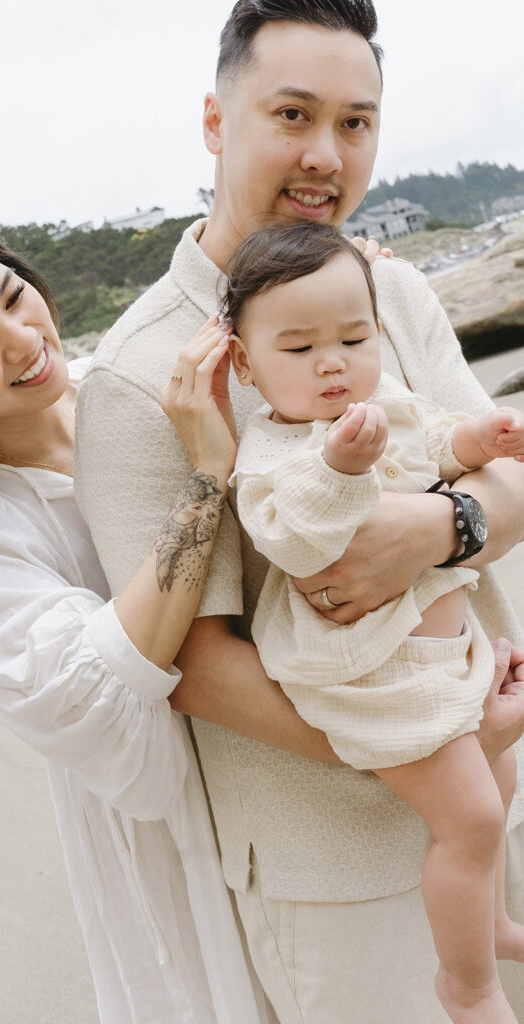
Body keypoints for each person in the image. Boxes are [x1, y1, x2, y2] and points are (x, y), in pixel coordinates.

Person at [75, 1, 524, 1020]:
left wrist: (437, 526)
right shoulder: (143, 373)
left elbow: (506, 477)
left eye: (355, 122)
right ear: (214, 119)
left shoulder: (384, 288)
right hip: (335, 862)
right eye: (292, 113)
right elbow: (188, 662)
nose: (326, 153)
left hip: (489, 776)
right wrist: (431, 742)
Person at [0, 209, 283, 1023]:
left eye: (15, 297)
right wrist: (204, 479)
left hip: (270, 736)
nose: (20, 339)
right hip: (175, 818)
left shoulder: (117, 388)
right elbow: (97, 688)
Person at [226, 220, 524, 1023]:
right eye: (297, 349)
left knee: (498, 781)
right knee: (468, 819)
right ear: (244, 363)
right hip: (374, 677)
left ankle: (488, 920)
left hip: (435, 656)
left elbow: (430, 443)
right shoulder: (272, 452)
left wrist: (474, 438)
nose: (331, 362)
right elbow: (293, 534)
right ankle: (466, 988)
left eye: (353, 337)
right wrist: (338, 469)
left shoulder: (380, 400)